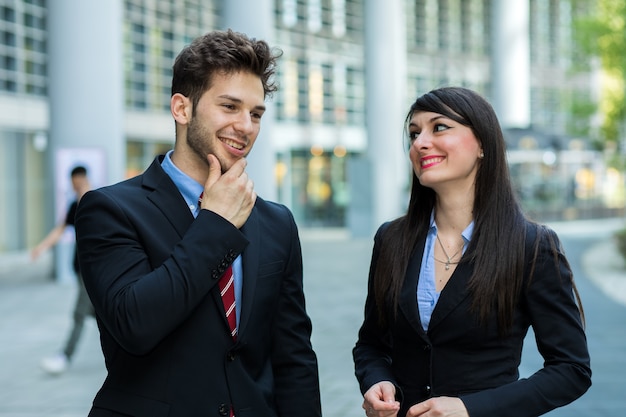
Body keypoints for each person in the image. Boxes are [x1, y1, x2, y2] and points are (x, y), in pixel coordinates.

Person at [75, 29, 321, 417]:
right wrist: (215, 223)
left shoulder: (277, 222)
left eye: (256, 114)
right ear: (182, 109)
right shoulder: (109, 209)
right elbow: (135, 324)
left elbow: (294, 358)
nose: (246, 126)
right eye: (230, 106)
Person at [353, 87, 591, 417]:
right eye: (414, 132)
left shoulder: (532, 246)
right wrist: (377, 380)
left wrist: (470, 408)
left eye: (439, 127)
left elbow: (571, 370)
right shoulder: (391, 239)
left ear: (482, 144)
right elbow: (371, 344)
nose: (421, 142)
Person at [32, 165, 95, 375]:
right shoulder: (73, 206)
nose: (76, 186)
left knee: (79, 314)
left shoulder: (97, 200)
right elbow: (60, 229)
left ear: (84, 179)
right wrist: (41, 247)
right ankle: (135, 350)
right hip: (80, 269)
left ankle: (65, 356)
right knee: (100, 314)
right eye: (74, 183)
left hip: (92, 269)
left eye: (79, 182)